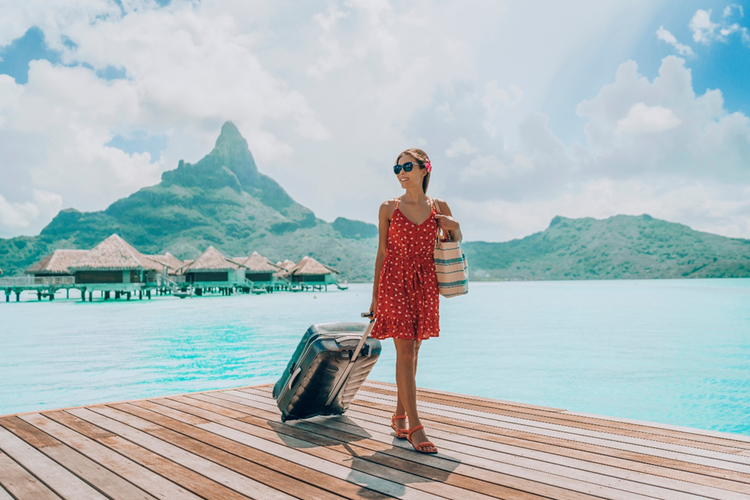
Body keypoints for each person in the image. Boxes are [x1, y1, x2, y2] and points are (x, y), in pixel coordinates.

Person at [369, 148, 462, 454]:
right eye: (396, 169)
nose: (400, 173)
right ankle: (416, 428)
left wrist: (453, 225)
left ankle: (398, 415)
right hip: (395, 282)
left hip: (425, 284)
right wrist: (375, 297)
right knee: (405, 351)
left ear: (424, 170)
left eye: (407, 166)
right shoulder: (387, 208)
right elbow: (382, 253)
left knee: (414, 350)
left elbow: (455, 239)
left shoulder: (439, 207)